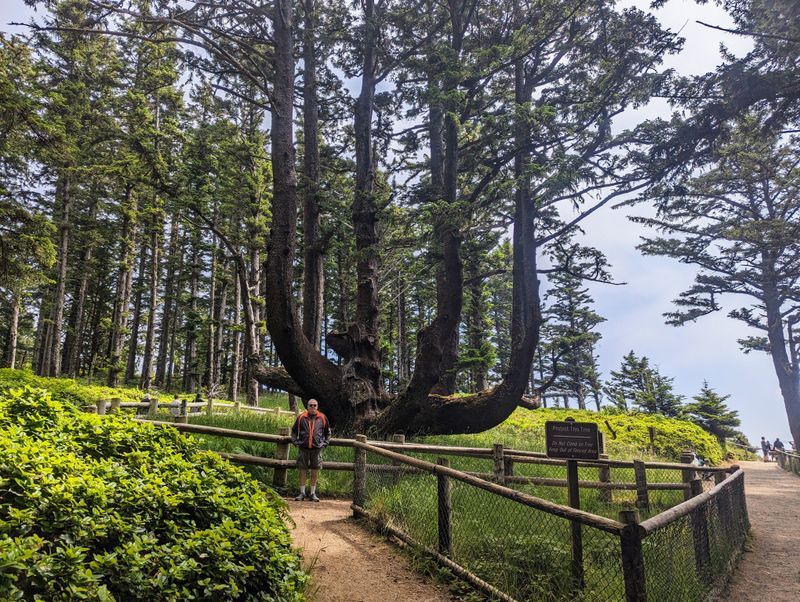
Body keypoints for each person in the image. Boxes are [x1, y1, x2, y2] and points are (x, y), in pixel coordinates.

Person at [291, 399, 331, 502]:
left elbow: (328, 432)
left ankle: (313, 493)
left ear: (317, 406)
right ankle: (302, 493)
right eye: (310, 405)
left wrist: (325, 443)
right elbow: (294, 431)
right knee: (302, 470)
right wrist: (295, 442)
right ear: (307, 406)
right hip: (303, 448)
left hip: (317, 449)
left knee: (314, 471)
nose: (312, 407)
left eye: (314, 405)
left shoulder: (322, 417)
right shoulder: (301, 417)